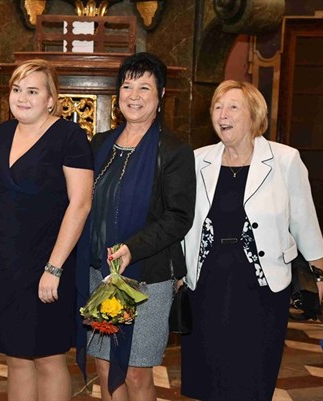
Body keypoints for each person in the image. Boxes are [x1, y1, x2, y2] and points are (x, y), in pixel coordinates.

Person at [181, 80, 323, 401]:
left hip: (261, 289)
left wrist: (317, 277)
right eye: (218, 107)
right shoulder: (197, 160)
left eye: (233, 107)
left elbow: (305, 223)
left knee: (251, 379)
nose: (223, 114)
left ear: (254, 114)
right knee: (209, 378)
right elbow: (184, 223)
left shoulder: (285, 160)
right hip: (206, 287)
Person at [75, 52, 196, 401]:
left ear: (161, 95)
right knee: (104, 367)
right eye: (127, 86)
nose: (134, 95)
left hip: (147, 278)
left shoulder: (174, 151)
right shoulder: (100, 144)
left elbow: (179, 216)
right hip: (100, 274)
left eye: (145, 87)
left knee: (136, 371)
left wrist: (133, 247)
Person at [0, 59, 93, 401]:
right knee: (15, 358)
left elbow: (80, 205)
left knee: (48, 358)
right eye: (17, 89)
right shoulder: (3, 132)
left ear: (50, 99)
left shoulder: (69, 137)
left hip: (48, 263)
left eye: (32, 91)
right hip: (3, 263)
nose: (22, 97)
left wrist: (54, 268)